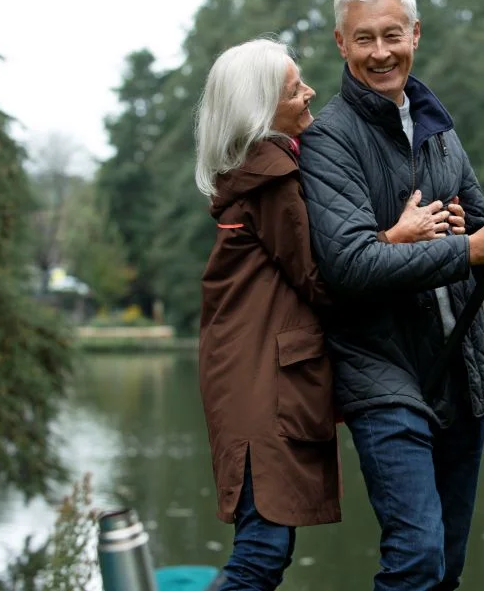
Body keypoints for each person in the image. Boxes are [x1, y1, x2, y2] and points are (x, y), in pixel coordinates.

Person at [297, 0, 484, 591]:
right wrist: (469, 247)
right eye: (364, 39)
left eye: (393, 34)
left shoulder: (440, 128)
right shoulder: (328, 139)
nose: (381, 51)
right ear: (342, 44)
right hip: (381, 371)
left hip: (462, 370)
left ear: (415, 34)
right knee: (416, 560)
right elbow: (350, 264)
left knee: (448, 566)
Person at [194, 37, 459, 591]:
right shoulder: (271, 177)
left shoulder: (260, 168)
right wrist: (396, 237)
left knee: (264, 549)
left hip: (252, 378)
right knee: (260, 554)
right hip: (259, 384)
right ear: (261, 107)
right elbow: (323, 277)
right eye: (295, 88)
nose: (310, 91)